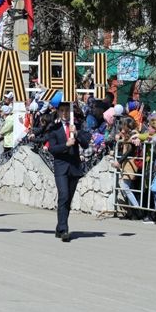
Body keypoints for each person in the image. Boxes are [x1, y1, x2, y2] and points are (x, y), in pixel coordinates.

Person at [46, 101, 90, 242]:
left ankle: (60, 227)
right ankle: (64, 229)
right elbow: (52, 149)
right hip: (61, 167)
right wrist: (66, 144)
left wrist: (76, 134)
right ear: (58, 112)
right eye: (62, 111)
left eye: (66, 110)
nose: (64, 113)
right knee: (63, 195)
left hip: (74, 167)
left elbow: (85, 143)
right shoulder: (54, 129)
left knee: (68, 199)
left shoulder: (76, 126)